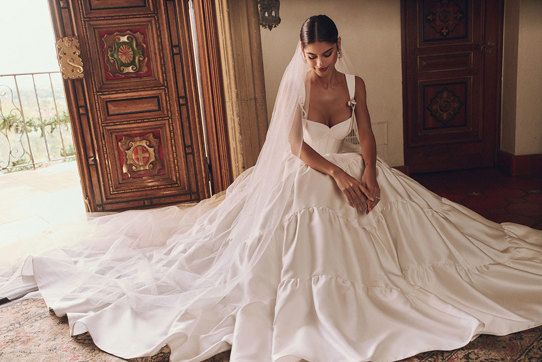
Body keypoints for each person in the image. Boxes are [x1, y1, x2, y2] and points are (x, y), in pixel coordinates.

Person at [3, 14, 542, 362]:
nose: (319, 63)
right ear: (302, 54)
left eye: (326, 54)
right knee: (315, 201)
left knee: (390, 203)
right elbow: (295, 148)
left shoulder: (353, 83)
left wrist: (370, 174)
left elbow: (368, 135)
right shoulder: (297, 83)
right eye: (311, 56)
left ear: (339, 48)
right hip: (308, 170)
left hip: (354, 164)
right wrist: (337, 174)